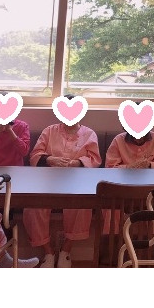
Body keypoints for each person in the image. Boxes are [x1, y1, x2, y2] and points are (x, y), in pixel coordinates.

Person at [25, 101, 102, 268]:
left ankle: (66, 249)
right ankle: (48, 251)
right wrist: (50, 159)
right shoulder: (49, 131)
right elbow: (35, 155)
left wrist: (77, 162)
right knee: (33, 207)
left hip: (77, 181)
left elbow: (95, 159)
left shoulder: (89, 133)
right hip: (47, 179)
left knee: (82, 205)